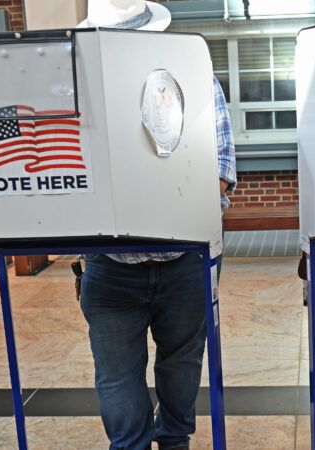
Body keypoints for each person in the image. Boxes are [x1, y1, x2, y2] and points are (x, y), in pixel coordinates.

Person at [76, 2, 236, 449]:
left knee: (182, 368)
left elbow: (222, 173)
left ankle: (174, 443)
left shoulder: (193, 76)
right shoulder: (82, 94)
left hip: (185, 259)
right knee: (116, 378)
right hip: (111, 266)